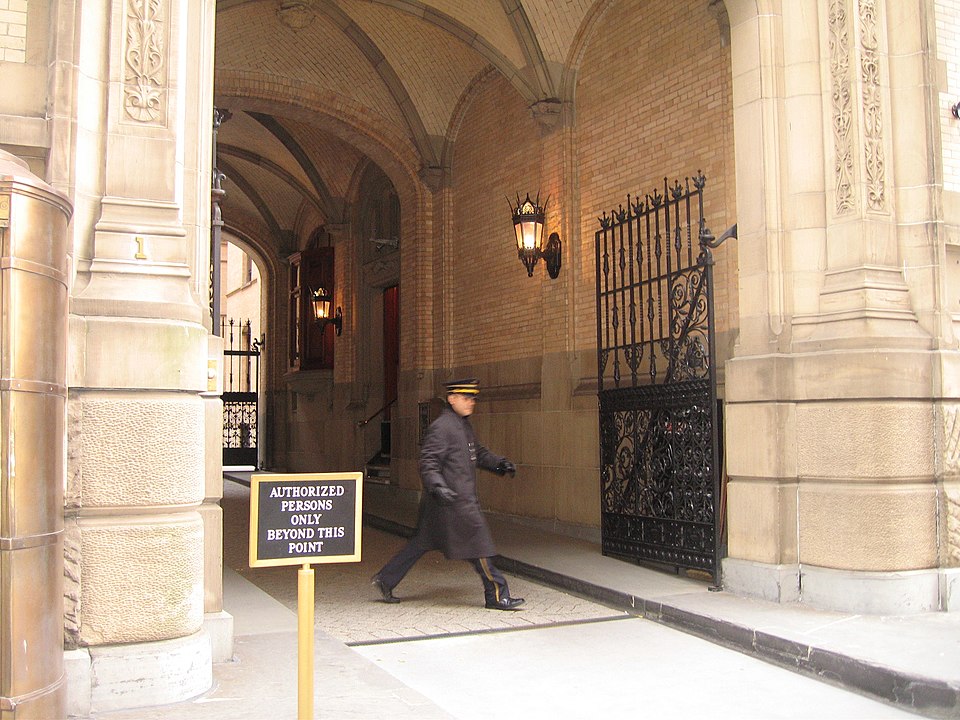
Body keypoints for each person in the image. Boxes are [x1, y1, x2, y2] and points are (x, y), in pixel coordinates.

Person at [371, 378, 524, 610]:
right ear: (452, 399)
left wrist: (499, 464)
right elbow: (428, 461)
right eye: (466, 398)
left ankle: (385, 579)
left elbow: (477, 452)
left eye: (473, 398)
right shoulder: (443, 426)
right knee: (480, 547)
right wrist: (438, 486)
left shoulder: (462, 424)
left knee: (420, 544)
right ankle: (496, 594)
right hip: (454, 501)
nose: (471, 402)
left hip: (444, 503)